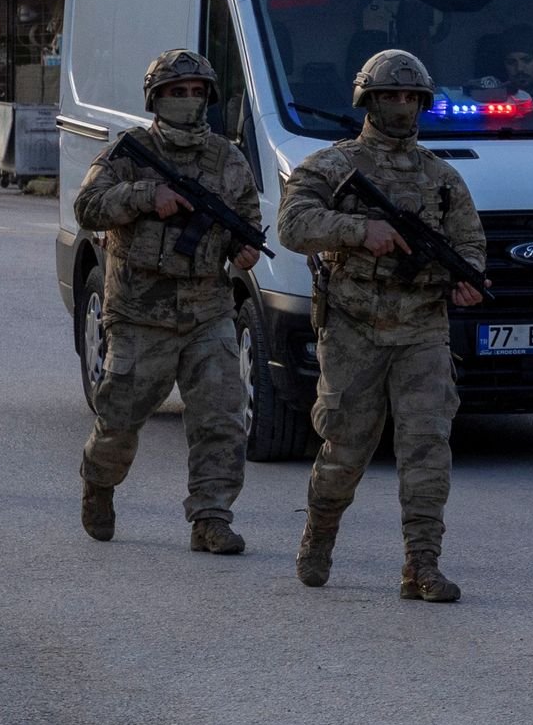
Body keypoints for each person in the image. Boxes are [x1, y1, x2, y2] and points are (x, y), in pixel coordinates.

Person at [273, 48, 486, 600]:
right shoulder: (333, 166)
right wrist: (355, 231)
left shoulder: (443, 179)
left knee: (427, 449)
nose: (400, 106)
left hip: (421, 331)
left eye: (411, 98)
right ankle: (319, 536)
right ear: (367, 100)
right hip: (353, 327)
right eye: (389, 95)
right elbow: (292, 224)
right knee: (344, 447)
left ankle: (422, 565)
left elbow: (469, 246)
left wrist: (464, 282)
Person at [73, 47, 260, 553]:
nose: (188, 101)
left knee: (221, 418)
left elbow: (246, 218)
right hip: (139, 311)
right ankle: (99, 482)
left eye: (197, 92)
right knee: (120, 419)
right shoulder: (130, 153)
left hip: (207, 309)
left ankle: (211, 516)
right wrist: (141, 198)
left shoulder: (228, 158)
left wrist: (244, 249)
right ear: (156, 99)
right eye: (177, 93)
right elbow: (87, 206)